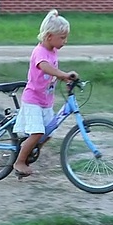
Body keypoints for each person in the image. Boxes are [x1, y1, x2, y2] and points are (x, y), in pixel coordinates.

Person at [12, 9, 78, 178]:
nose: (65, 41)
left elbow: (52, 73)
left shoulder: (53, 51)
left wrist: (66, 79)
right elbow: (45, 67)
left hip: (45, 101)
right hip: (33, 99)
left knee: (49, 132)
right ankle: (19, 161)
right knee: (38, 132)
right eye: (62, 38)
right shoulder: (40, 52)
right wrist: (62, 74)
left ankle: (31, 151)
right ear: (49, 37)